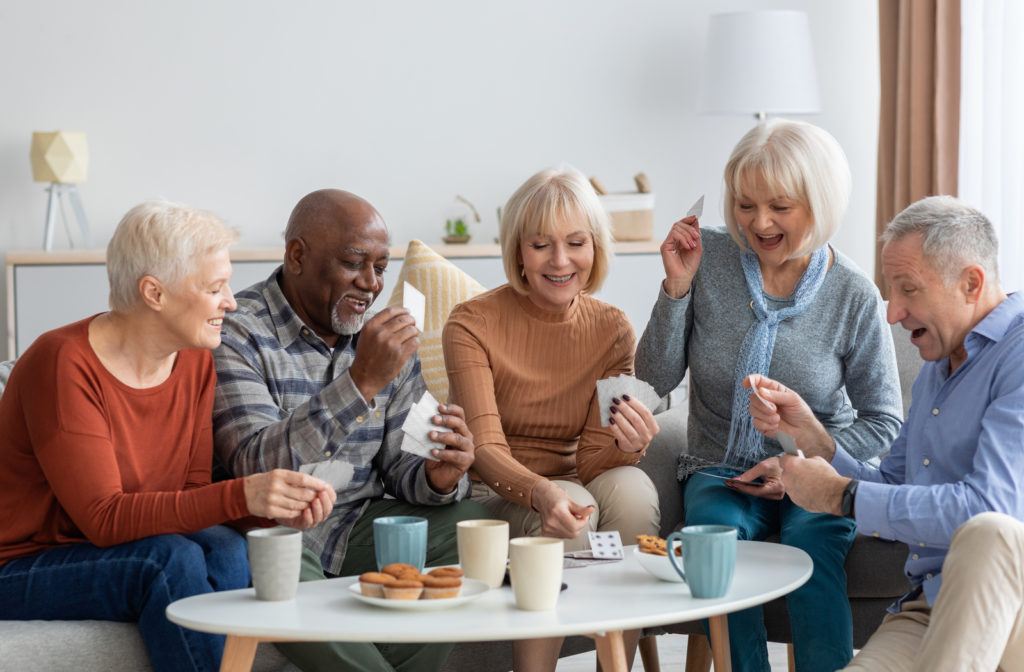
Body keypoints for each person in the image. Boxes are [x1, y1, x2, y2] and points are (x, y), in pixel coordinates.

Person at [0, 201, 335, 672]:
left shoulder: (194, 359)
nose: (232, 302)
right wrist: (244, 493)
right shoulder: (62, 364)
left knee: (227, 548)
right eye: (215, 288)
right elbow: (103, 517)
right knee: (166, 560)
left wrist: (268, 512)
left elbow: (190, 498)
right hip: (20, 563)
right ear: (154, 293)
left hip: (112, 548)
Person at [634, 119, 904, 672]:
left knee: (813, 556)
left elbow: (883, 422)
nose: (759, 223)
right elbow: (654, 379)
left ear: (819, 202)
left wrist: (797, 460)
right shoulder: (706, 258)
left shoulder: (853, 293)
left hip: (815, 470)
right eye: (745, 204)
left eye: (780, 206)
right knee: (717, 553)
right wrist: (676, 289)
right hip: (719, 469)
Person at [213, 188, 490, 672]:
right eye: (353, 263)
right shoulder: (238, 331)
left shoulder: (384, 336)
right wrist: (361, 381)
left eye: (381, 267)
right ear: (297, 255)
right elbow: (255, 463)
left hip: (357, 524)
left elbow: (402, 465)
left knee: (470, 526)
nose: (370, 283)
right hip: (275, 528)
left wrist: (439, 473)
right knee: (269, 560)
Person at [750, 195, 1024, 671]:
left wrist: (843, 496)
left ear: (971, 283)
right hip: (928, 608)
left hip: (1012, 605)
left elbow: (987, 509)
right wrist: (817, 441)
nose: (893, 312)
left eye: (908, 289)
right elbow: (896, 487)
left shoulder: (1017, 356)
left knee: (989, 532)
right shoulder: (938, 368)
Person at [442, 166, 661, 671]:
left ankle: (616, 667)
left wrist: (628, 445)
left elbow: (592, 456)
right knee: (575, 510)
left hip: (576, 479)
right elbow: (485, 450)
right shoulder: (471, 323)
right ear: (519, 251)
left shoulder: (612, 328)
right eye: (541, 244)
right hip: (500, 491)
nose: (560, 261)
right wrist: (543, 492)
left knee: (633, 487)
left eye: (576, 243)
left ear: (595, 248)